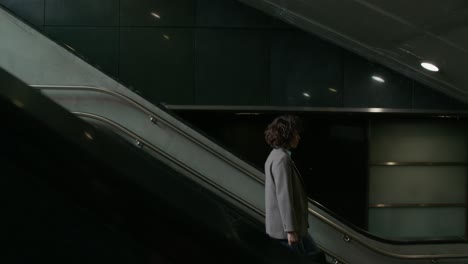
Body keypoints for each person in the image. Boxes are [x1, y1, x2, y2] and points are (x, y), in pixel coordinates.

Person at [264, 115, 325, 262]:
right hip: (288, 231)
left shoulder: (274, 156)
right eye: (296, 133)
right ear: (287, 135)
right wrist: (290, 230)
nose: (299, 137)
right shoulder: (282, 159)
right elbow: (284, 197)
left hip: (286, 229)